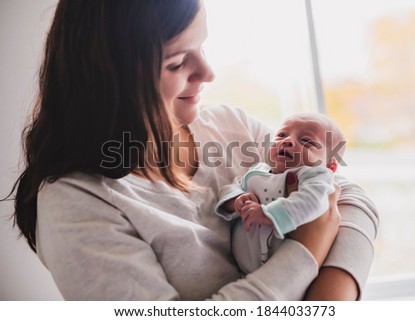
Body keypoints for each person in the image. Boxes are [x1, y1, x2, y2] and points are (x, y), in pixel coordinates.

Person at [6, 0, 378, 300]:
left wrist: (331, 299)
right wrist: (308, 249)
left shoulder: (230, 125)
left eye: (201, 47)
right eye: (178, 62)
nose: (208, 72)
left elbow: (350, 194)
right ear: (108, 78)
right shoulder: (79, 202)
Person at [216, 113, 346, 274]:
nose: (288, 141)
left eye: (306, 141)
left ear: (330, 166)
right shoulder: (257, 171)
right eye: (281, 135)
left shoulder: (315, 177)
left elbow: (314, 201)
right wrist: (236, 200)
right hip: (243, 273)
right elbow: (230, 187)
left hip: (290, 271)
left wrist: (269, 214)